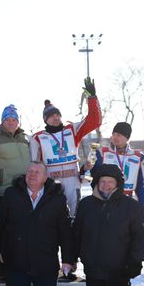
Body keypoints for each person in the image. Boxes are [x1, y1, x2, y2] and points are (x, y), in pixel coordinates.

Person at [0, 161, 74, 286]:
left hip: (46, 261)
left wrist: (68, 258)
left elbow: (65, 231)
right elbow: (0, 225)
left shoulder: (57, 199)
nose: (32, 174)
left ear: (46, 177)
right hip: (16, 260)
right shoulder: (11, 194)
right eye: (29, 171)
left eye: (37, 172)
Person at [29, 77, 102, 217]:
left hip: (73, 181)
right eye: (51, 116)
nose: (55, 117)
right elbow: (34, 165)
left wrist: (92, 98)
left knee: (76, 217)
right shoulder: (37, 138)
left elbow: (94, 121)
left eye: (57, 114)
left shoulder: (72, 130)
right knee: (53, 218)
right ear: (45, 119)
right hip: (51, 183)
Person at [91, 122, 144, 208]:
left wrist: (142, 209)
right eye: (113, 134)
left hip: (128, 202)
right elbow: (93, 177)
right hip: (105, 200)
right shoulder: (101, 153)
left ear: (127, 137)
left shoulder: (139, 157)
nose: (115, 137)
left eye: (118, 135)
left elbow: (141, 187)